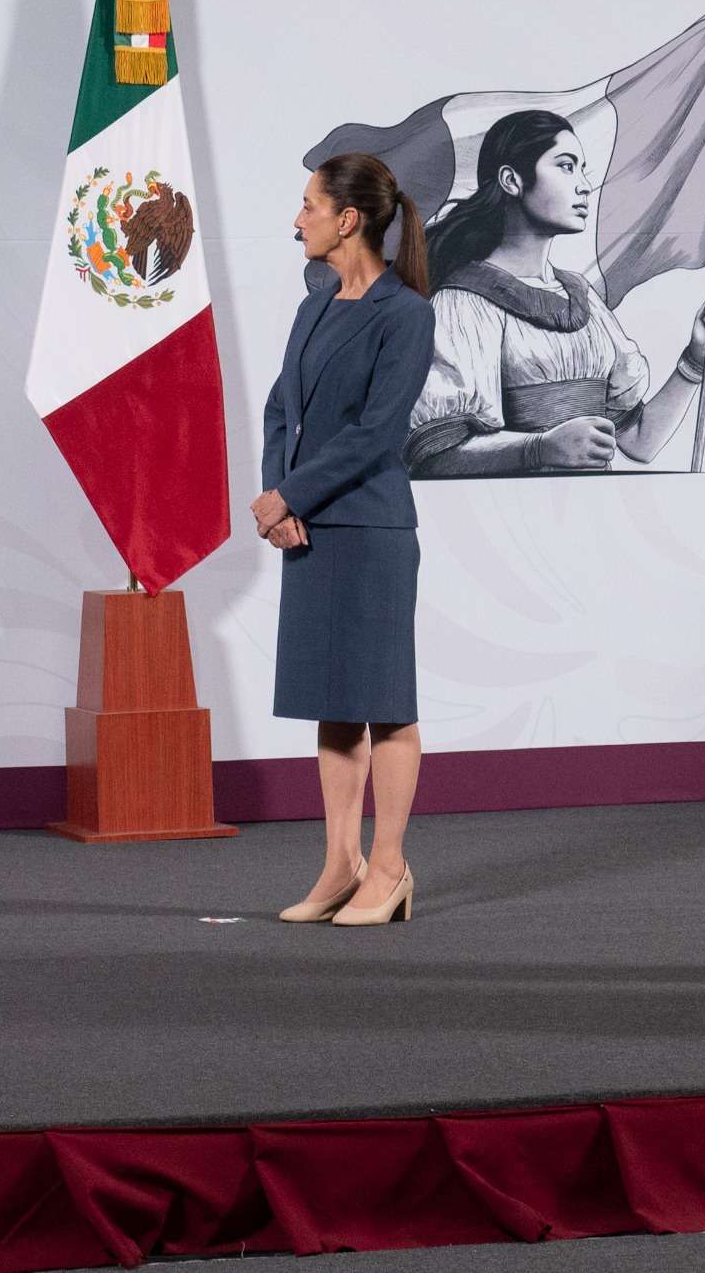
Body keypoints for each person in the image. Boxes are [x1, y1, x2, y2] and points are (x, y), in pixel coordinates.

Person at [255, 153, 435, 927]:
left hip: (370, 531)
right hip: (311, 532)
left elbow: (377, 433)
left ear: (347, 219)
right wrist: (278, 499)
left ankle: (389, 867)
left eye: (309, 205)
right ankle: (340, 865)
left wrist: (290, 494)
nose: (298, 220)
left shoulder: (406, 314)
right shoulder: (316, 306)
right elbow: (280, 410)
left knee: (385, 705)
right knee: (334, 703)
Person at [407, 109, 705, 476]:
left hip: (593, 508)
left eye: (582, 169)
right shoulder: (463, 303)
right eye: (566, 166)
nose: (583, 185)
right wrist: (540, 448)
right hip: (513, 509)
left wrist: (695, 359)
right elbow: (435, 456)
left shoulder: (583, 298)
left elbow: (640, 442)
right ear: (511, 180)